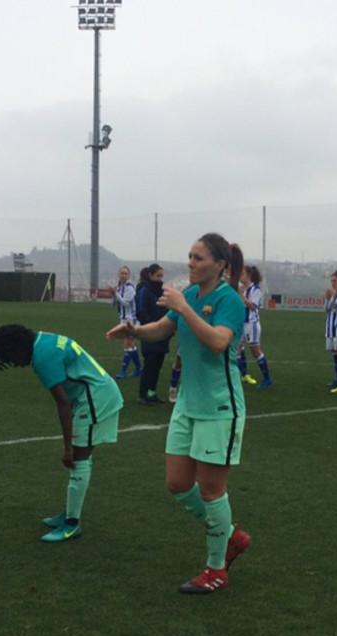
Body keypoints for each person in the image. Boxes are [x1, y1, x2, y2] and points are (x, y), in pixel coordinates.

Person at [106, 233, 251, 594]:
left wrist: (185, 310)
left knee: (212, 490)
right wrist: (135, 330)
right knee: (177, 483)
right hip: (187, 404)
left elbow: (219, 341)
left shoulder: (229, 300)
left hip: (220, 407)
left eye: (199, 258)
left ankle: (216, 569)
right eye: (189, 256)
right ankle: (230, 535)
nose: (191, 263)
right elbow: (164, 328)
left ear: (219, 264)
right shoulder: (187, 296)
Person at [0, 324, 123, 542]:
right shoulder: (44, 339)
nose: (15, 363)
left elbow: (62, 403)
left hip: (95, 397)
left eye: (11, 357)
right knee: (80, 458)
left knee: (78, 458)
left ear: (18, 347)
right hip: (96, 391)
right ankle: (71, 512)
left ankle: (72, 524)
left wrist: (67, 447)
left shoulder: (42, 358)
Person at [135, 264, 171, 404]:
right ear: (150, 275)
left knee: (157, 365)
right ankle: (143, 395)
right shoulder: (145, 291)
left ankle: (152, 393)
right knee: (149, 365)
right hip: (150, 334)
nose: (160, 279)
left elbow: (166, 310)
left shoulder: (161, 291)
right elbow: (141, 312)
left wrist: (166, 326)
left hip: (162, 335)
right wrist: (154, 326)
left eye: (161, 276)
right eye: (158, 276)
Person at [237, 265, 273, 389]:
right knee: (237, 348)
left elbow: (253, 306)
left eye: (242, 274)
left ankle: (267, 378)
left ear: (248, 275)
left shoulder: (255, 289)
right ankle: (242, 375)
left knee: (256, 351)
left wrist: (241, 296)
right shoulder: (242, 288)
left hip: (251, 324)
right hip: (241, 323)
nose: (240, 276)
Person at [113, 266, 141, 379]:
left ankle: (123, 371)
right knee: (131, 344)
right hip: (124, 318)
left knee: (127, 343)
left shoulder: (130, 287)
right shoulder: (120, 287)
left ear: (129, 275)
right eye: (121, 273)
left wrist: (115, 294)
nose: (123, 275)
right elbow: (118, 303)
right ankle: (139, 368)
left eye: (125, 273)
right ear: (118, 274)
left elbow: (125, 303)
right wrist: (114, 296)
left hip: (131, 319)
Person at [324, 270, 337, 387]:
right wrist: (328, 298)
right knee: (334, 354)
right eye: (331, 281)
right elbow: (326, 309)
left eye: (335, 281)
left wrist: (335, 294)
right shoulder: (331, 293)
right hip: (330, 328)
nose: (333, 283)